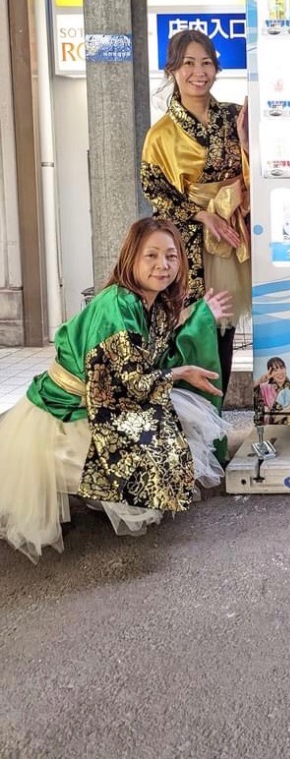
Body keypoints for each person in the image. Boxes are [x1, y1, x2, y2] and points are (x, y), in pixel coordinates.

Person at [0, 217, 232, 562]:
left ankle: (97, 491)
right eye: (151, 255)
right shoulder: (116, 306)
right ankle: (90, 490)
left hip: (104, 400)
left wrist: (201, 315)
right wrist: (180, 371)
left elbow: (154, 353)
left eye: (171, 256)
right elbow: (124, 384)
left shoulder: (147, 301)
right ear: (131, 258)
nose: (162, 265)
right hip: (69, 410)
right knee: (156, 456)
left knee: (173, 438)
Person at [141, 28, 250, 401]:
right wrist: (203, 215)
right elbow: (156, 192)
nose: (198, 72)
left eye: (206, 63)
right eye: (188, 63)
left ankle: (214, 423)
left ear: (217, 69)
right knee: (191, 329)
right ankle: (190, 418)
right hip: (188, 248)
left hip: (232, 237)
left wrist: (247, 140)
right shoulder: (161, 134)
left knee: (224, 332)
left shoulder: (233, 117)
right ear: (173, 68)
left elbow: (258, 166)